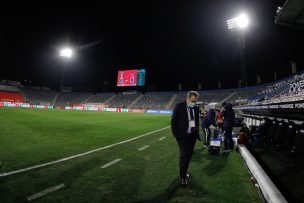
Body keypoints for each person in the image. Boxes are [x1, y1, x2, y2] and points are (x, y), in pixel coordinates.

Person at [171, 91, 200, 187]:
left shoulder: (196, 108)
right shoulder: (179, 106)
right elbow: (173, 122)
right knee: (184, 156)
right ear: (187, 99)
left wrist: (197, 133)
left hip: (192, 136)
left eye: (195, 101)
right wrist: (177, 135)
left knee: (189, 156)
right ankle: (183, 178)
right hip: (182, 137)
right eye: (192, 101)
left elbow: (196, 122)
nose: (194, 103)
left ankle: (184, 172)